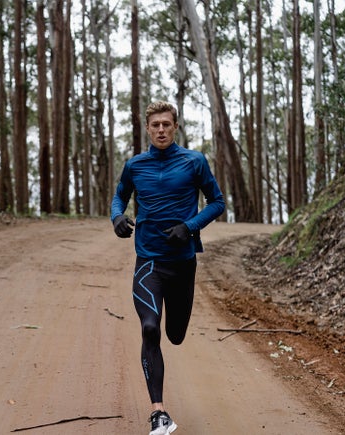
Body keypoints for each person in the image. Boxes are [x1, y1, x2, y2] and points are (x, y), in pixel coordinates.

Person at [110, 101, 225, 435]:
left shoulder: (194, 161)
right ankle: (158, 413)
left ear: (175, 127)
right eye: (155, 125)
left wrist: (188, 227)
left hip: (183, 264)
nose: (161, 129)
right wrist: (117, 217)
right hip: (148, 262)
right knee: (149, 328)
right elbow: (120, 196)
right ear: (147, 129)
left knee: (174, 335)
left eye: (166, 124)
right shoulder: (135, 165)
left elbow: (217, 202)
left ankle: (161, 404)